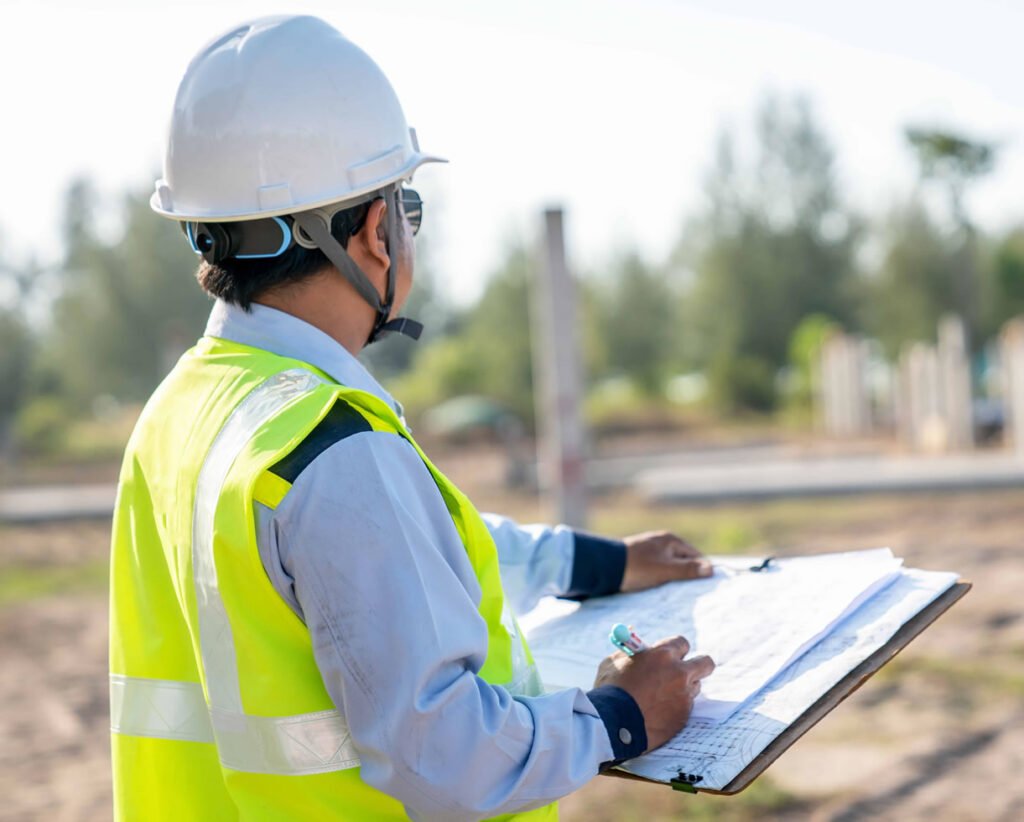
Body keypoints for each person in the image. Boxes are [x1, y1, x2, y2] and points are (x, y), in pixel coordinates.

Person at [109, 14, 715, 821]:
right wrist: (620, 716)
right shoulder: (332, 449)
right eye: (407, 204)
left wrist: (596, 562)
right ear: (372, 234)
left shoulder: (185, 411)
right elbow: (446, 754)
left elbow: (401, 558)